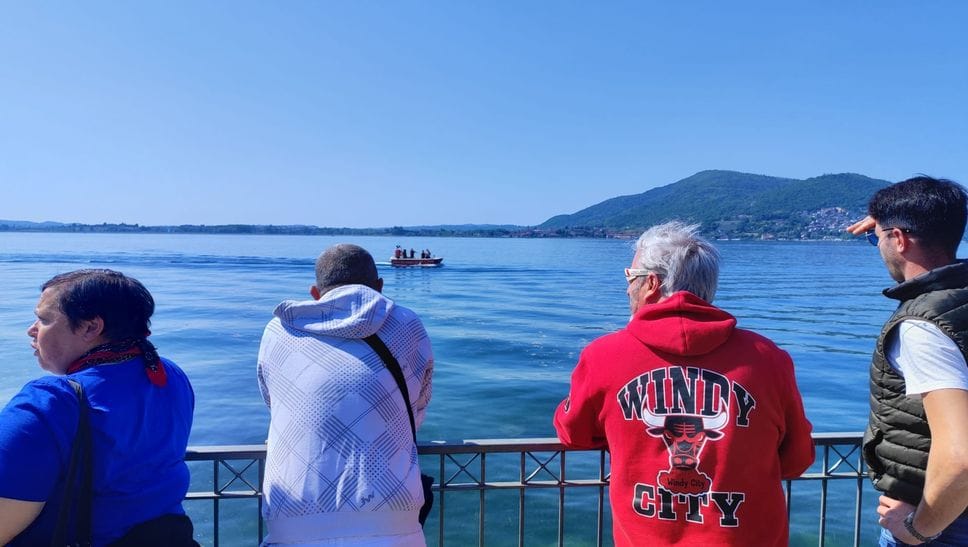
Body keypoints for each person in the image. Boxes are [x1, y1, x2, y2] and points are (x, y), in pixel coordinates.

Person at [553, 221, 815, 546]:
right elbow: (797, 459)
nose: (626, 288)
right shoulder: (769, 358)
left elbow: (573, 433)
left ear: (650, 284)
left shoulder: (603, 356)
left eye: (629, 277)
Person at [0, 269, 197, 546]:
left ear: (91, 327)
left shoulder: (50, 404)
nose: (31, 330)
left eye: (43, 320)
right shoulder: (168, 376)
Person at [258, 243, 434, 546]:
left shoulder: (278, 330)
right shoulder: (407, 324)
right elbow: (416, 407)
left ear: (315, 293)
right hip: (393, 518)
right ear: (379, 287)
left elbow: (273, 403)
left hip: (292, 518)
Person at [846, 176, 968, 546]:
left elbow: (961, 455)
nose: (876, 247)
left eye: (876, 239)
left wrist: (918, 529)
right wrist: (885, 221)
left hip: (940, 521)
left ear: (899, 240)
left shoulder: (923, 326)